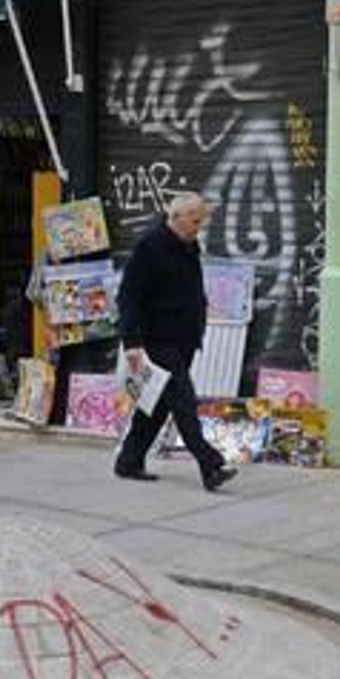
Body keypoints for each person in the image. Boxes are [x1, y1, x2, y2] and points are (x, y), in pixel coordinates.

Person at [112, 193, 237, 492]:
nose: (200, 226)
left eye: (201, 220)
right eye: (195, 221)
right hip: (158, 339)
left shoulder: (189, 245)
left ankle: (128, 461)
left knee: (155, 405)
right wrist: (131, 342)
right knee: (183, 401)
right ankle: (211, 466)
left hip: (184, 339)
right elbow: (128, 297)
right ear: (176, 217)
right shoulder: (149, 247)